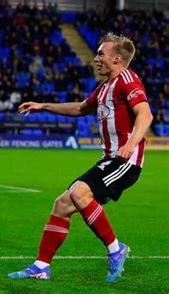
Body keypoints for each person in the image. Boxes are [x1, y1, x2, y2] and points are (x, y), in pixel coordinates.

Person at [9, 33, 153, 283]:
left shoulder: (127, 80)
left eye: (101, 54)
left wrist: (130, 144)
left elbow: (146, 114)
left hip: (125, 161)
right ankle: (41, 266)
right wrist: (43, 106)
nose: (96, 58)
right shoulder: (105, 86)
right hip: (110, 159)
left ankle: (116, 249)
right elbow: (80, 108)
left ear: (116, 59)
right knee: (63, 204)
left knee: (78, 193)